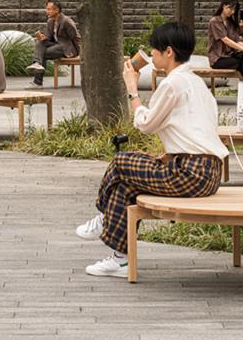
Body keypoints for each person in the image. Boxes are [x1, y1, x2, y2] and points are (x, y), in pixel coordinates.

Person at [76, 22, 227, 278]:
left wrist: (132, 90)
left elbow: (145, 124)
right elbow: (194, 130)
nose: (152, 56)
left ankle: (102, 215)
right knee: (125, 187)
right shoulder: (197, 83)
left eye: (155, 51)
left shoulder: (173, 84)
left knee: (121, 161)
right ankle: (120, 260)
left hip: (190, 173)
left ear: (168, 52)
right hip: (207, 172)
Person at [26, 0, 82, 88]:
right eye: (46, 9)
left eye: (49, 9)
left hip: (66, 48)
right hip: (55, 44)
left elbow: (76, 38)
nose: (46, 11)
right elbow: (48, 37)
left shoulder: (66, 21)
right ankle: (37, 63)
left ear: (56, 10)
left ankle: (37, 82)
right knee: (40, 43)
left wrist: (79, 53)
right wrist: (43, 38)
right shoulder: (50, 21)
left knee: (42, 53)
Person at [207, 0, 243, 82]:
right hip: (218, 59)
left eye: (234, 9)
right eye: (230, 8)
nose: (232, 12)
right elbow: (226, 40)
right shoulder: (214, 21)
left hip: (229, 56)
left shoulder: (230, 23)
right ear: (223, 6)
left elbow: (236, 41)